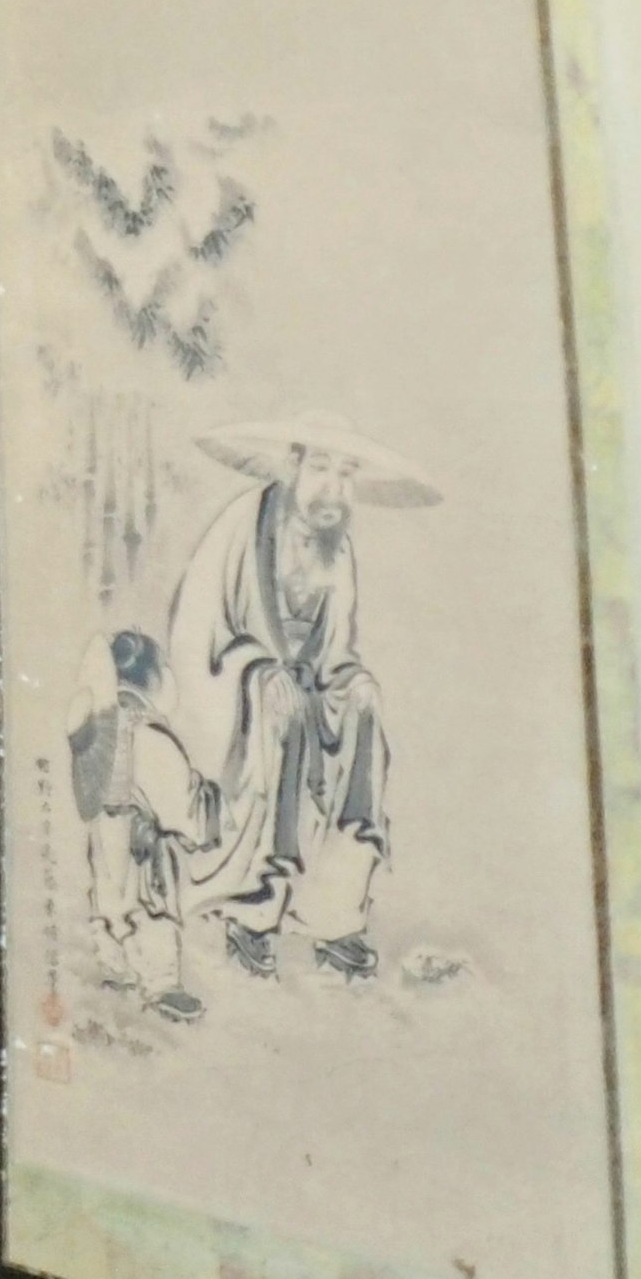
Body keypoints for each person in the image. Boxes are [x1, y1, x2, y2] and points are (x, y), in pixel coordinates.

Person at [160, 415, 435, 983]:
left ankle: (332, 915)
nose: (334, 490)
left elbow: (336, 649)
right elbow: (199, 629)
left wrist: (353, 679)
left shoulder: (338, 546)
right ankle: (249, 911)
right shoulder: (244, 522)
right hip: (240, 694)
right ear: (293, 466)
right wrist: (257, 672)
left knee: (362, 721)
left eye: (346, 475)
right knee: (274, 719)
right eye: (322, 470)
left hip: (307, 694)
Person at [71, 628, 213, 1021]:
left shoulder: (100, 728)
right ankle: (161, 985)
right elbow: (183, 813)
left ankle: (116, 969)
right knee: (151, 910)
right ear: (155, 678)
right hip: (143, 844)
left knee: (109, 900)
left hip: (104, 837)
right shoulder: (151, 736)